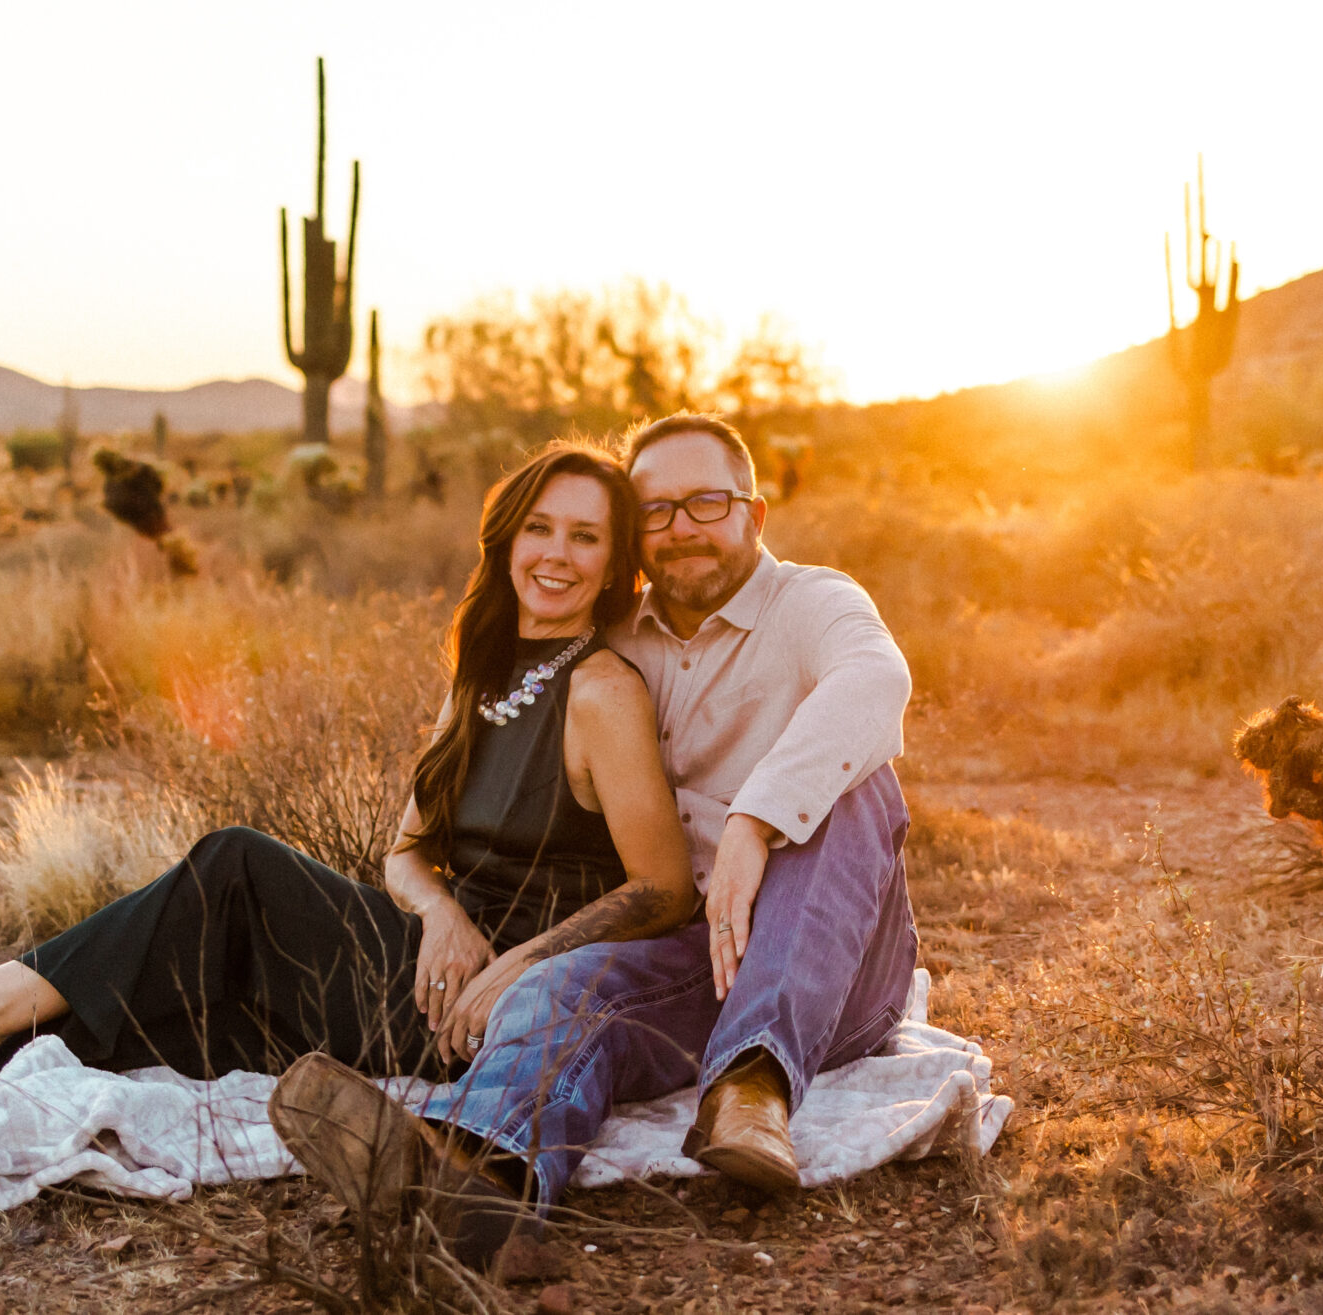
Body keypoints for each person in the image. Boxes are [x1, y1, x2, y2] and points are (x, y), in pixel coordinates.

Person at [0, 442, 696, 1261]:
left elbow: (662, 887)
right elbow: (406, 852)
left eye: (585, 538)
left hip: (481, 1005)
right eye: (541, 528)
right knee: (192, 1018)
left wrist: (514, 964)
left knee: (235, 863)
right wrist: (438, 909)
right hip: (426, 953)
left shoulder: (601, 692)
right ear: (507, 536)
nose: (557, 555)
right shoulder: (480, 673)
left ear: (615, 567)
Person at [276, 412, 915, 1223]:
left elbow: (875, 681)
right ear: (634, 536)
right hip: (695, 958)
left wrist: (756, 820)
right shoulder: (615, 643)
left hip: (837, 969)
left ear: (754, 514)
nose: (681, 528)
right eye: (656, 510)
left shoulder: (814, 601)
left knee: (858, 781)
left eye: (707, 503)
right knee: (562, 986)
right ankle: (477, 1180)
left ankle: (754, 1086)